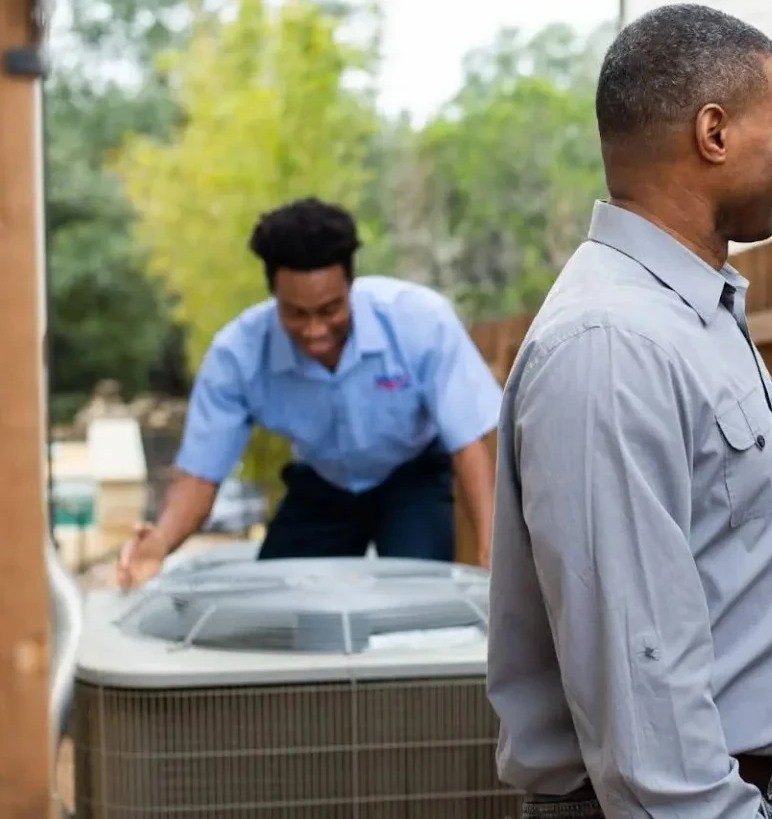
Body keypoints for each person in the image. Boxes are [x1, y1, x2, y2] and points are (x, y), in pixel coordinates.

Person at [486, 3, 772, 819]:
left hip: (751, 804)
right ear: (713, 132)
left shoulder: (689, 315)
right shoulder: (611, 343)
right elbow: (637, 677)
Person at [116, 197, 503, 588]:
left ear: (350, 285)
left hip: (411, 475)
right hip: (324, 482)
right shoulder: (238, 355)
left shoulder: (420, 321)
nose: (316, 331)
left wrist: (492, 548)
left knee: (420, 592)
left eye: (330, 310)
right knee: (277, 601)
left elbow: (469, 442)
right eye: (296, 314)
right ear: (273, 296)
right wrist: (160, 543)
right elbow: (201, 475)